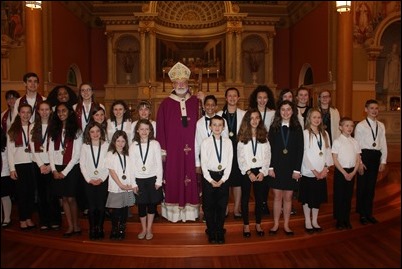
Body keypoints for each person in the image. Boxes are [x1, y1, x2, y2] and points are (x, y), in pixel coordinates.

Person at [156, 62, 203, 222]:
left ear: (188, 83)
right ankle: (173, 212)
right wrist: (163, 150)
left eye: (184, 82)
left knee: (190, 178)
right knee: (174, 177)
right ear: (173, 84)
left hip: (192, 152)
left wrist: (203, 102)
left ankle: (191, 212)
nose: (181, 85)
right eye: (178, 82)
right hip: (173, 151)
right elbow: (160, 128)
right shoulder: (165, 104)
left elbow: (204, 125)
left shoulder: (196, 103)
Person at [267, 100, 304, 236]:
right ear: (279, 111)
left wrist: (297, 170)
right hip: (276, 166)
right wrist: (270, 167)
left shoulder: (297, 128)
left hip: (291, 167)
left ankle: (287, 224)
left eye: (288, 109)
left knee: (288, 197)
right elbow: (269, 149)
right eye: (283, 110)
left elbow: (300, 150)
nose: (286, 112)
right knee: (277, 196)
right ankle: (276, 224)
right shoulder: (274, 127)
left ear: (292, 111)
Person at [48, 102, 83, 237]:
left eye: (64, 111)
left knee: (71, 198)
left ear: (69, 112)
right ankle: (69, 226)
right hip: (57, 167)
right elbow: (50, 151)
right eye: (58, 111)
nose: (61, 113)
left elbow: (77, 154)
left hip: (71, 168)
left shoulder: (76, 130)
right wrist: (54, 170)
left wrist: (64, 172)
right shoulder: (54, 129)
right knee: (64, 198)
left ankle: (76, 225)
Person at [237, 108, 271, 238]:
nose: (255, 120)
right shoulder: (242, 138)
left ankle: (258, 223)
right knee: (245, 199)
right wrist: (248, 172)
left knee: (260, 199)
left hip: (260, 171)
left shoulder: (264, 138)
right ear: (247, 120)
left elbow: (268, 156)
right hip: (247, 172)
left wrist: (263, 171)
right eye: (252, 118)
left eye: (257, 118)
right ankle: (246, 224)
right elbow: (240, 157)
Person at [299, 109, 333, 234]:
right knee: (307, 198)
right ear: (309, 118)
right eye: (314, 117)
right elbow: (304, 154)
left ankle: (315, 221)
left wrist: (325, 168)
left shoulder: (325, 134)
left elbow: (327, 152)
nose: (317, 119)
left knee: (317, 198)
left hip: (321, 171)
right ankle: (308, 220)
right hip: (309, 171)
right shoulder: (305, 133)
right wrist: (314, 171)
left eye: (319, 117)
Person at [201, 115, 233, 244]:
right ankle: (211, 230)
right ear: (210, 127)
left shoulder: (228, 142)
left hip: (223, 178)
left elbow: (230, 162)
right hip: (209, 177)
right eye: (214, 125)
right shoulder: (205, 142)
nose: (217, 127)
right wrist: (209, 179)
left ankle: (219, 231)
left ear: (223, 127)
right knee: (209, 206)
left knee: (221, 206)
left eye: (220, 125)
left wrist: (223, 179)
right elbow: (203, 163)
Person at [29, 101, 61, 231]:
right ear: (38, 111)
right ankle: (44, 220)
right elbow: (32, 147)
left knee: (53, 194)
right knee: (41, 194)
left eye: (47, 109)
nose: (44, 112)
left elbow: (58, 147)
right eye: (42, 109)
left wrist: (49, 165)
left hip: (52, 164)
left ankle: (55, 219)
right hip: (38, 165)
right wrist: (41, 164)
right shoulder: (32, 126)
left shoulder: (55, 126)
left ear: (50, 111)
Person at [355, 99, 387, 225]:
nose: (374, 110)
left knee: (371, 187)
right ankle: (362, 214)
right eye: (371, 108)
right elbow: (357, 146)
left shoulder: (381, 125)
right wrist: (360, 162)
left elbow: (383, 144)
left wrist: (383, 160)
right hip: (365, 156)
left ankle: (369, 213)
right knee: (362, 186)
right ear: (366, 110)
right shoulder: (361, 125)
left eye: (376, 108)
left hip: (375, 156)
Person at [129, 119, 163, 240]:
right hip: (139, 180)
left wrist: (159, 180)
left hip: (152, 179)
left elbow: (159, 163)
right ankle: (143, 228)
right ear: (137, 130)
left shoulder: (155, 144)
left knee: (152, 205)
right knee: (142, 205)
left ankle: (149, 229)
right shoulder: (133, 146)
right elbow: (131, 166)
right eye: (141, 129)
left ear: (150, 130)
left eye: (146, 129)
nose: (144, 131)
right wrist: (133, 183)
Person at [217, 87, 246, 219]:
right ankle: (225, 207)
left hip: (239, 152)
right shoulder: (219, 114)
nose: (232, 98)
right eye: (230, 96)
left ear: (238, 98)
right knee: (225, 181)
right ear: (226, 98)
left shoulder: (244, 114)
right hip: (224, 152)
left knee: (238, 181)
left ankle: (236, 208)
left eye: (235, 96)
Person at [7, 103, 36, 230]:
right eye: (23, 112)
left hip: (32, 163)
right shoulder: (13, 129)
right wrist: (12, 168)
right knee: (22, 193)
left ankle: (29, 217)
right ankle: (22, 219)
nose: (26, 115)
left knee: (31, 193)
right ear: (19, 113)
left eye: (28, 112)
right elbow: (10, 151)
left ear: (31, 114)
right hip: (19, 165)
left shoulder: (34, 127)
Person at [248, 85, 276, 216]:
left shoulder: (273, 113)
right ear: (255, 99)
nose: (262, 100)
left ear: (268, 99)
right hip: (253, 151)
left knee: (265, 180)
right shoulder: (250, 113)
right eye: (259, 97)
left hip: (267, 148)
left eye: (265, 98)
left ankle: (264, 203)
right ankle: (257, 203)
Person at [80, 122, 109, 240]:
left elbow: (108, 164)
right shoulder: (85, 146)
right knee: (92, 207)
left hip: (103, 180)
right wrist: (89, 179)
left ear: (101, 132)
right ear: (88, 133)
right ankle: (92, 228)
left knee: (101, 206)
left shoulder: (106, 145)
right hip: (89, 181)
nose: (95, 134)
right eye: (92, 131)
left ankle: (100, 228)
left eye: (97, 131)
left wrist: (102, 178)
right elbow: (82, 164)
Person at [105, 130, 136, 240]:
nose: (120, 143)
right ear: (114, 141)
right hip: (116, 187)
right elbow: (112, 171)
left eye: (123, 141)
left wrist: (132, 184)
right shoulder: (110, 154)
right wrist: (120, 185)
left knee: (124, 209)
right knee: (116, 210)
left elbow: (132, 170)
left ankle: (122, 228)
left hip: (127, 186)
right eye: (118, 141)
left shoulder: (128, 155)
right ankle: (114, 228)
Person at [332, 117, 361, 230]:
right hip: (341, 172)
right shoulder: (337, 141)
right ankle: (339, 220)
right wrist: (344, 173)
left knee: (348, 196)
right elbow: (335, 159)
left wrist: (353, 172)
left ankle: (346, 219)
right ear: (340, 127)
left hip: (352, 171)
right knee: (339, 196)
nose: (349, 128)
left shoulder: (355, 142)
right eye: (346, 125)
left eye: (351, 126)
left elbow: (358, 159)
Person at [1, 126, 14, 228]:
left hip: (4, 174)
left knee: (5, 196)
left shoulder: (5, 145)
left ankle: (7, 218)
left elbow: (9, 159)